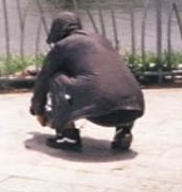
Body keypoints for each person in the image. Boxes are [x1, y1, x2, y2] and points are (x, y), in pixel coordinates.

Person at [30, 12, 144, 152]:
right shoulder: (102, 40)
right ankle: (123, 132)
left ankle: (68, 136)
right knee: (113, 79)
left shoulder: (63, 46)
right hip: (133, 108)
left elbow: (43, 80)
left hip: (102, 113)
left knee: (56, 77)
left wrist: (38, 111)